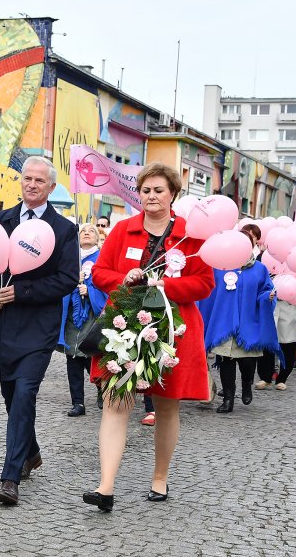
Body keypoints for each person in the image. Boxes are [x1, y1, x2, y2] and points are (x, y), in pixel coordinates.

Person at [82, 163, 214, 513]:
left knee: (167, 406)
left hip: (174, 330)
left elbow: (204, 283)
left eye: (158, 190)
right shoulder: (123, 230)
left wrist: (163, 285)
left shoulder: (191, 233)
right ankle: (106, 486)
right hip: (124, 325)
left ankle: (159, 476)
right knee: (115, 401)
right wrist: (124, 279)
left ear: (173, 194)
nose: (151, 196)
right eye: (145, 190)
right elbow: (99, 273)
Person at [0, 156, 78, 506]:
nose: (31, 185)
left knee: (24, 395)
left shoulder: (64, 230)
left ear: (51, 187)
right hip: (2, 324)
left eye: (39, 180)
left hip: (38, 328)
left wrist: (23, 292)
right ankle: (31, 451)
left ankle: (10, 477)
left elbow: (66, 279)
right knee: (10, 397)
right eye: (26, 179)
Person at [199, 231, 280, 414]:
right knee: (225, 359)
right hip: (224, 323)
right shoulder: (219, 267)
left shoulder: (260, 269)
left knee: (247, 362)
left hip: (248, 322)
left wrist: (268, 296)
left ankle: (246, 384)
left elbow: (265, 290)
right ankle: (228, 399)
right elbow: (209, 291)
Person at [57, 223, 107, 417]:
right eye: (83, 231)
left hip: (92, 316)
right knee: (73, 357)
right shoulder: (70, 259)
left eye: (91, 232)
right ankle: (77, 402)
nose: (86, 233)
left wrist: (90, 291)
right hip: (71, 316)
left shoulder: (102, 259)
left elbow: (106, 286)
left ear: (97, 238)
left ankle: (102, 389)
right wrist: (71, 282)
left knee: (90, 356)